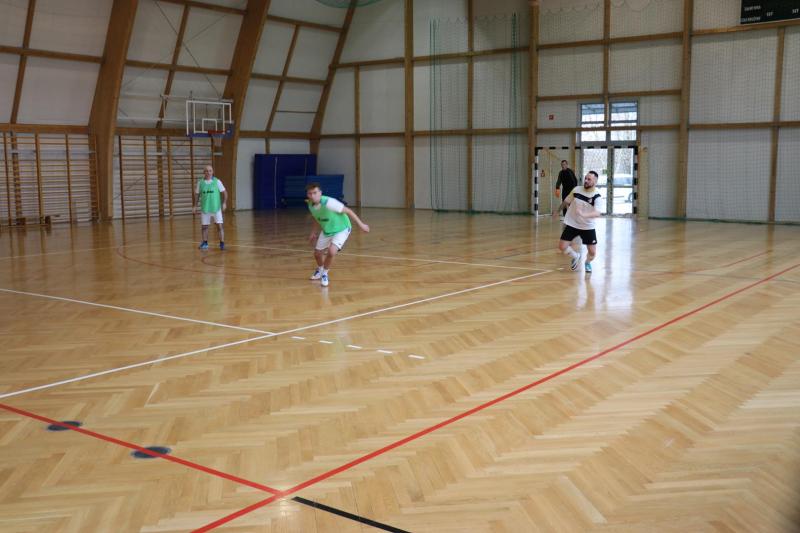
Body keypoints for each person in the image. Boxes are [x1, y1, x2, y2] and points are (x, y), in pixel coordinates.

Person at [306, 183, 369, 287]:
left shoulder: (329, 202)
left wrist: (361, 225)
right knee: (317, 254)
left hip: (342, 229)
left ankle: (325, 274)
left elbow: (348, 211)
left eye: (315, 193)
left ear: (320, 193)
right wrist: (313, 232)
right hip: (327, 230)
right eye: (310, 193)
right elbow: (317, 218)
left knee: (331, 252)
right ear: (307, 195)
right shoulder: (310, 204)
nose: (313, 196)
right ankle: (320, 270)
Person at [553, 170, 602, 273]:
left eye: (589, 179)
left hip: (587, 226)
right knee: (562, 246)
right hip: (572, 223)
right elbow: (566, 201)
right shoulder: (576, 190)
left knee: (592, 252)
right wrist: (557, 211)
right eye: (585, 178)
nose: (586, 180)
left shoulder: (596, 196)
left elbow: (597, 213)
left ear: (595, 182)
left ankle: (587, 262)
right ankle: (576, 256)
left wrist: (583, 215)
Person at [192, 165, 228, 250]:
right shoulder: (200, 183)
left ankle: (222, 243)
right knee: (204, 227)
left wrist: (224, 203)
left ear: (212, 172)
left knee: (219, 226)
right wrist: (195, 206)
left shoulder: (217, 181)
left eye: (210, 171)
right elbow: (197, 194)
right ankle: (205, 243)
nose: (208, 172)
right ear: (204, 172)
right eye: (206, 171)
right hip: (205, 208)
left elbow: (225, 192)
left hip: (216, 208)